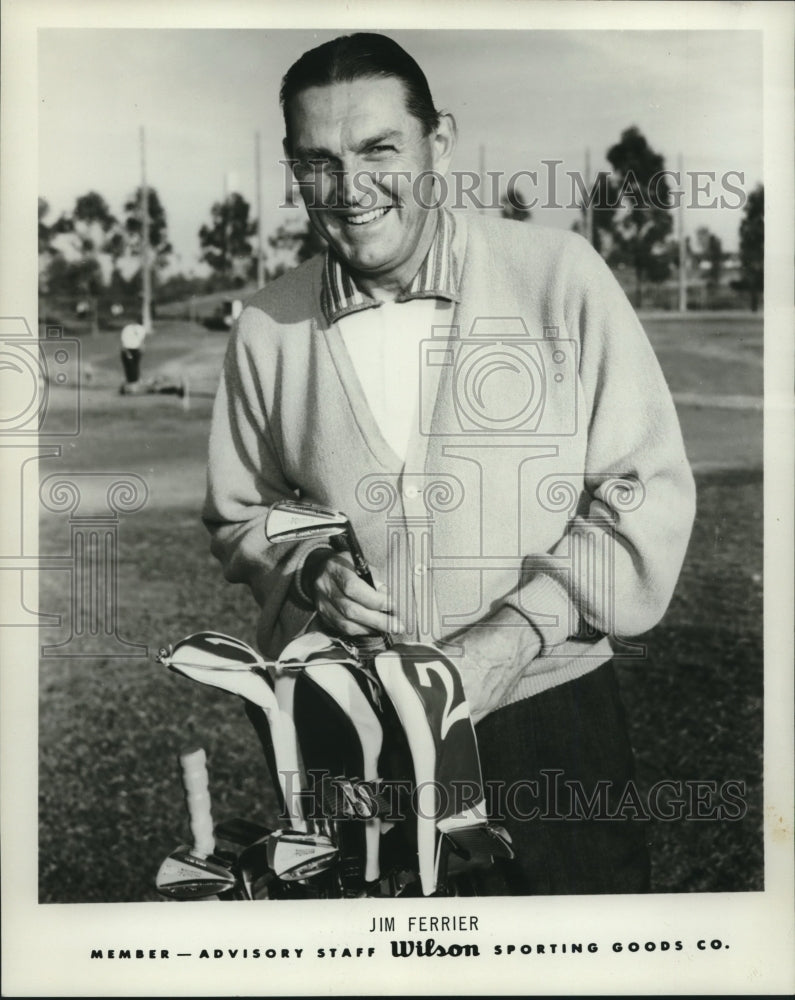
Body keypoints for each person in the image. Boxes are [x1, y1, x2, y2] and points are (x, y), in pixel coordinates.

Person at [202, 32, 696, 895]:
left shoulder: (557, 275)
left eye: (379, 149)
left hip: (544, 717)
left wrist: (516, 635)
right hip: (354, 736)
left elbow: (641, 489)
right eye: (319, 161)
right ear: (291, 168)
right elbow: (243, 513)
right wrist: (308, 565)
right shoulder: (264, 327)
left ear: (441, 142)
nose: (351, 189)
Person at [119, 320, 146, 392]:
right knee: (131, 367)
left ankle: (134, 384)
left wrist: (141, 348)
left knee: (134, 367)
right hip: (129, 349)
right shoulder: (128, 329)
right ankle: (131, 384)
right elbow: (124, 341)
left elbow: (141, 340)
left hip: (134, 349)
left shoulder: (139, 328)